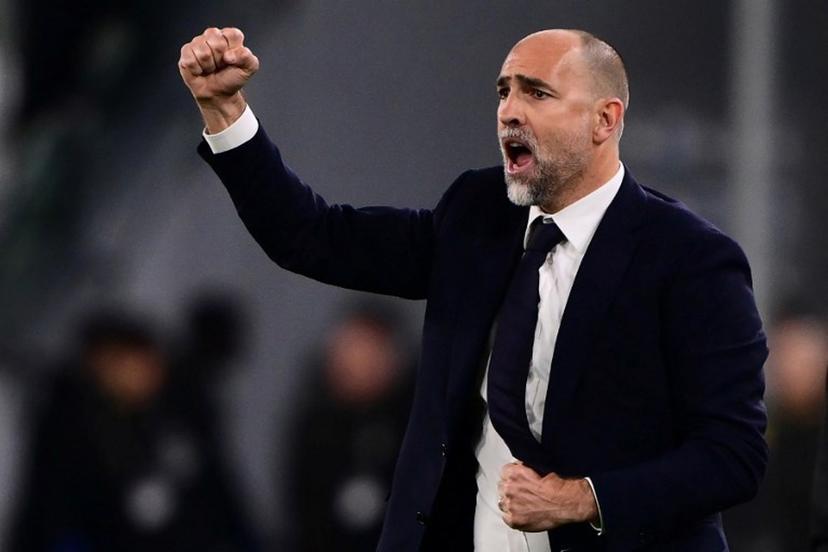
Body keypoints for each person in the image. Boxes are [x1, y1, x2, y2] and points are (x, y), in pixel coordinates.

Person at [178, 27, 768, 551]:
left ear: (605, 120)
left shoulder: (690, 260)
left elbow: (733, 455)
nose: (509, 110)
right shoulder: (476, 216)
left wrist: (584, 499)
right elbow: (313, 236)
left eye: (536, 93)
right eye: (503, 91)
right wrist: (226, 113)